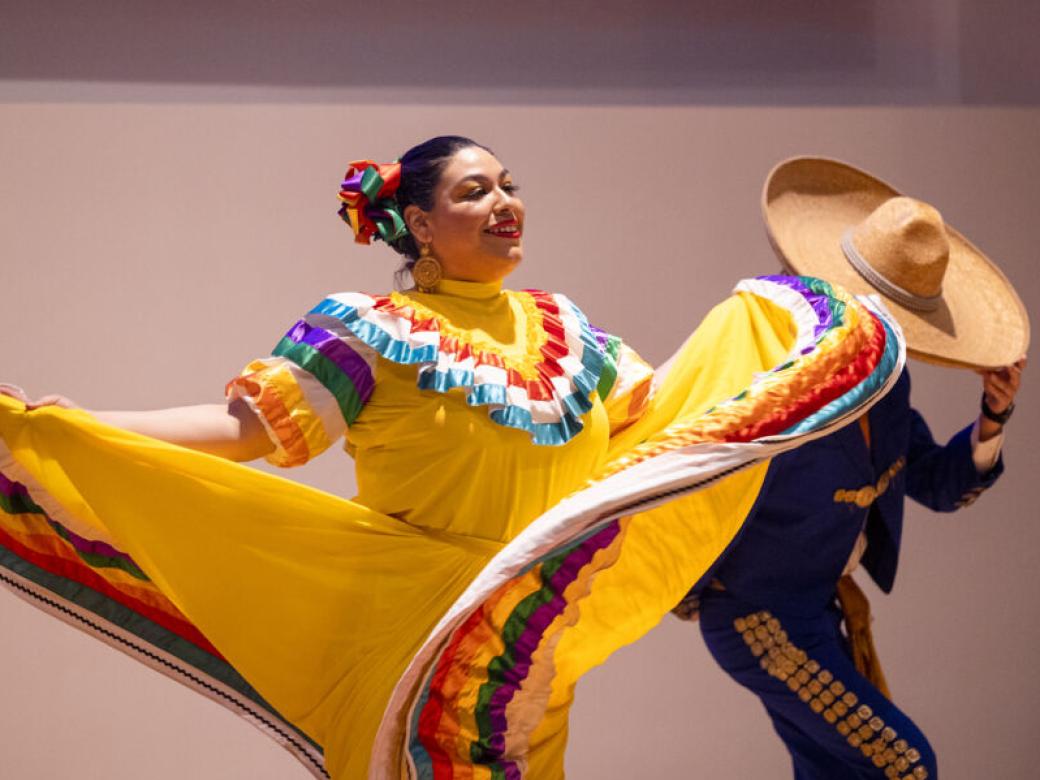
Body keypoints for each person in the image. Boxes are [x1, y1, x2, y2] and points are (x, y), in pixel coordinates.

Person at [0, 138, 906, 779]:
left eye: (509, 185)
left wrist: (768, 327)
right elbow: (246, 431)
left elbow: (655, 412)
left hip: (533, 628)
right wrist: (88, 425)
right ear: (420, 225)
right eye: (475, 191)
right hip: (415, 622)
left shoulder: (565, 329)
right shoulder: (372, 329)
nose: (505, 203)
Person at [680, 157, 1028, 780]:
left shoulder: (887, 386)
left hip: (818, 611)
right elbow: (692, 468)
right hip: (758, 619)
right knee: (905, 764)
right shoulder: (769, 373)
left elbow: (936, 484)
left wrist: (991, 419)